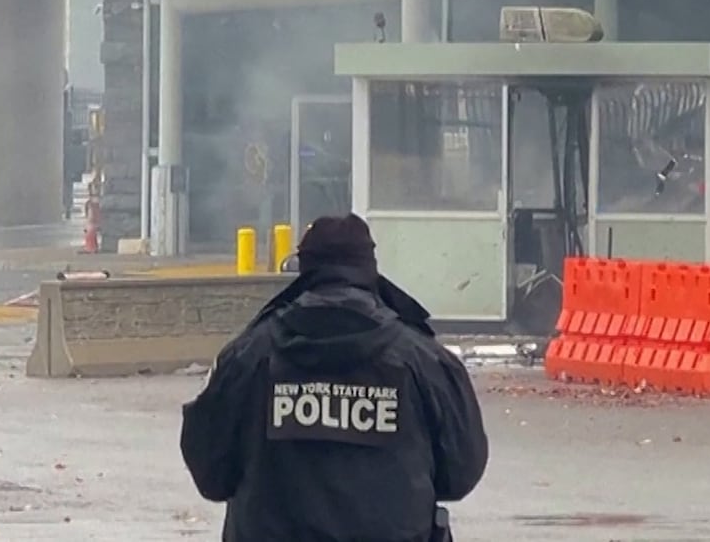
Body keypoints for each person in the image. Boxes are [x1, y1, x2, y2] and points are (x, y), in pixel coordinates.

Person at [180, 214, 489, 542]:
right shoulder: (423, 360)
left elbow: (211, 473)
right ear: (368, 266)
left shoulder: (249, 355)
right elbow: (460, 473)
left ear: (305, 267)